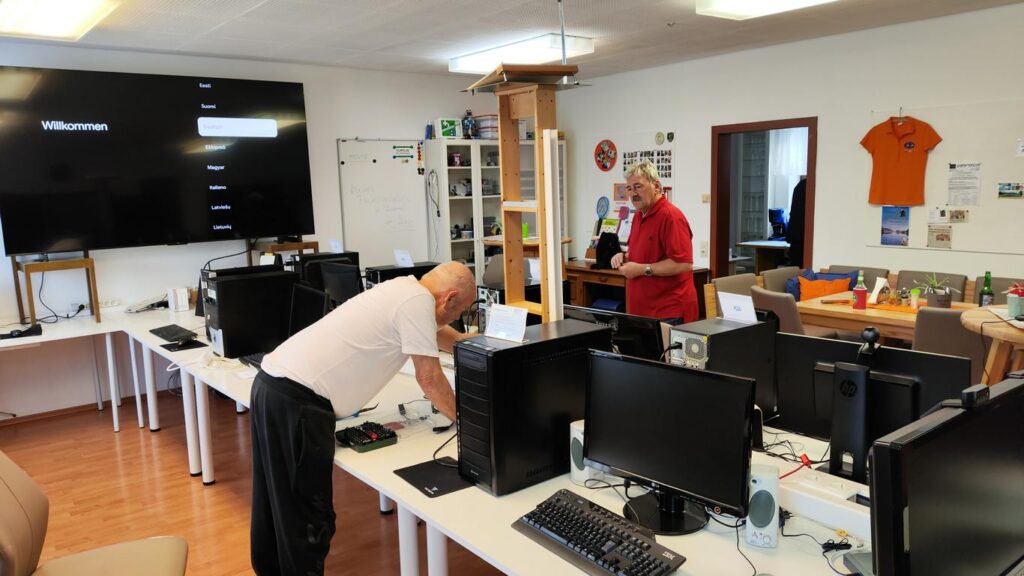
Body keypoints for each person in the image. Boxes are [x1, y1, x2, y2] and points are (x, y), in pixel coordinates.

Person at [249, 261, 477, 576]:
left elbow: (434, 331)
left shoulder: (405, 289)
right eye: (460, 311)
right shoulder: (416, 304)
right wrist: (470, 425)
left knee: (274, 506)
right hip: (297, 403)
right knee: (305, 519)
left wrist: (469, 344)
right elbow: (430, 379)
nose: (457, 318)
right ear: (448, 298)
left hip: (272, 386)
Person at [610, 160, 698, 324]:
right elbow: (645, 252)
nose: (633, 193)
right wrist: (624, 257)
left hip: (668, 313)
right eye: (629, 188)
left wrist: (642, 269)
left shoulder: (670, 216)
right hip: (642, 312)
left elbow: (684, 264)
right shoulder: (638, 215)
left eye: (638, 186)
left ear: (656, 186)